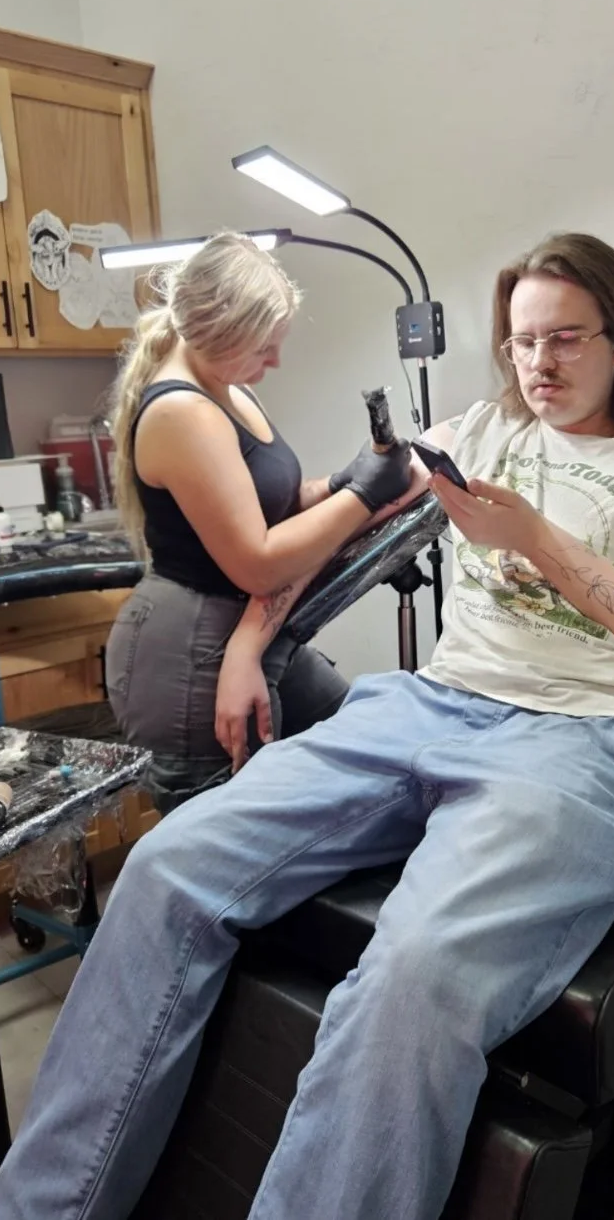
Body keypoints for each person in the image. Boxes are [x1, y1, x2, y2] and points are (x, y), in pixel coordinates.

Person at [0, 233, 614, 1220]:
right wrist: (250, 643)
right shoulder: (483, 432)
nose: (539, 363)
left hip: (587, 741)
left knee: (413, 978)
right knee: (166, 866)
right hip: (430, 706)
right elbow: (351, 526)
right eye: (521, 342)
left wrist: (536, 538)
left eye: (565, 338)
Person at [105, 232, 418, 811]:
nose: (274, 361)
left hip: (259, 631)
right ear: (218, 331)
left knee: (368, 760)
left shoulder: (229, 388)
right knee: (228, 839)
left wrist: (341, 482)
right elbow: (258, 563)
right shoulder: (182, 412)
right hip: (190, 653)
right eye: (262, 347)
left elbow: (273, 502)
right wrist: (364, 497)